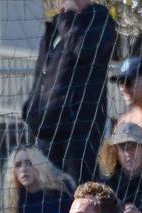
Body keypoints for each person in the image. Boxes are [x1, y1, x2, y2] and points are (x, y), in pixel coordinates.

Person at [22, 0, 116, 184]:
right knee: (48, 188)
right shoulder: (55, 27)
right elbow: (42, 75)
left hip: (78, 127)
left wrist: (69, 17)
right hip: (47, 126)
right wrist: (32, 109)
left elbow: (82, 50)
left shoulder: (99, 18)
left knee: (78, 186)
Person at [2, 145, 75, 213]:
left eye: (29, 163)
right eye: (18, 165)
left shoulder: (61, 196)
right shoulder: (17, 203)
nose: (23, 169)